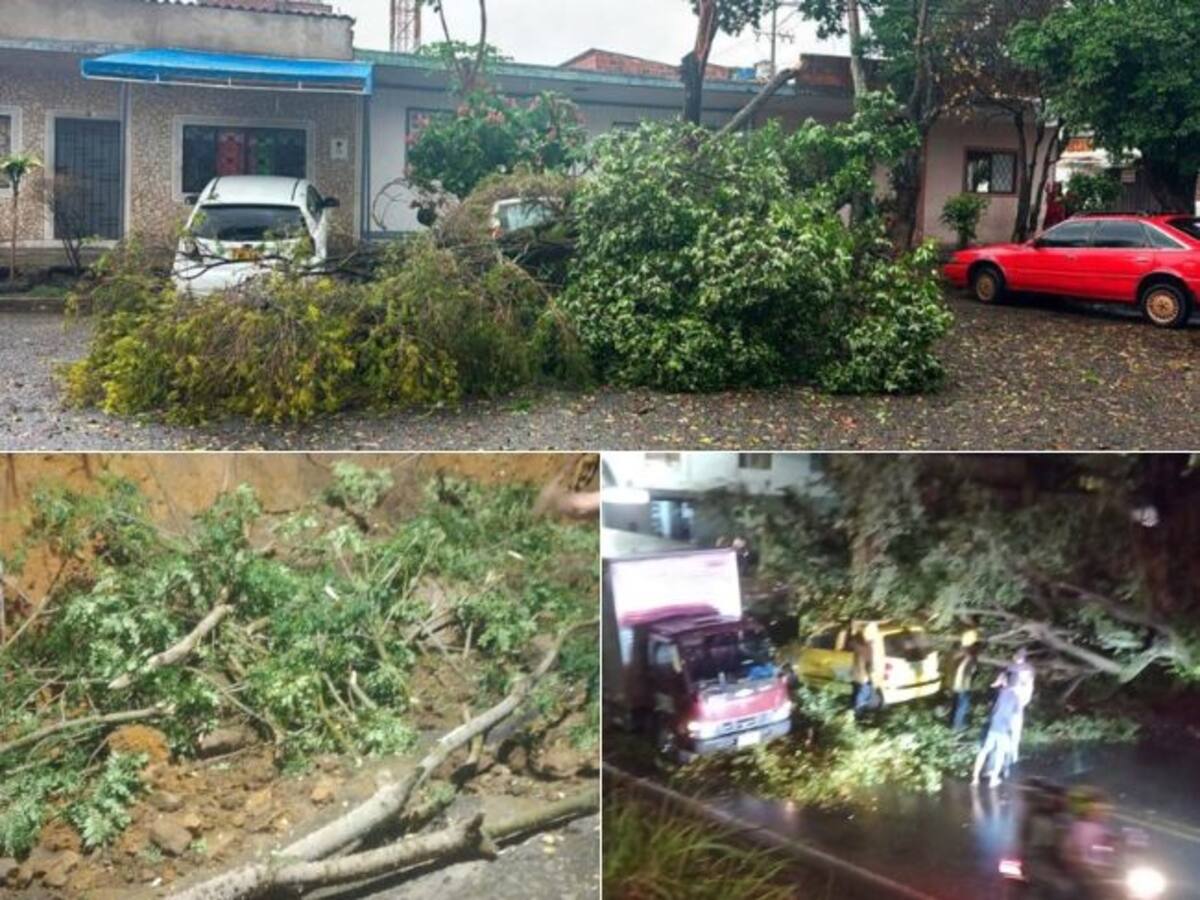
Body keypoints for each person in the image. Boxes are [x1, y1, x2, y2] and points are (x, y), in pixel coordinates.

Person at [1062, 786, 1117, 899]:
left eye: (1105, 809)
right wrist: (1082, 864)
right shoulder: (1076, 828)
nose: (1103, 812)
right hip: (1084, 879)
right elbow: (1071, 853)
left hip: (1103, 877)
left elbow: (1107, 850)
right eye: (1098, 808)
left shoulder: (1104, 829)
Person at [972, 670, 1021, 787]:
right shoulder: (1015, 698)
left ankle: (975, 778)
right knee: (1000, 753)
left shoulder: (1000, 693)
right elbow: (1015, 715)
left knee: (984, 750)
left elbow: (994, 709)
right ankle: (993, 779)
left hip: (993, 726)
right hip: (1004, 729)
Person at [994, 648, 1036, 775]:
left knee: (1009, 735)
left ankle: (1008, 764)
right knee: (1012, 736)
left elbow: (1005, 685)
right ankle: (1009, 764)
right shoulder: (1020, 670)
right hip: (1014, 707)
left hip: (1013, 707)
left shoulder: (1018, 670)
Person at [949, 629, 980, 731]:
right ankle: (957, 726)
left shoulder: (959, 652)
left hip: (955, 683)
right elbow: (971, 670)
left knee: (956, 704)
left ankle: (953, 723)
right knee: (962, 705)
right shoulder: (970, 656)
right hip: (963, 684)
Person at [850, 626, 876, 717]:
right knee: (860, 697)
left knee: (857, 695)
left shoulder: (856, 647)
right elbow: (869, 665)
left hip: (856, 676)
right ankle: (857, 711)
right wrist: (871, 677)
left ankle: (856, 711)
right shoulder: (867, 648)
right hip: (862, 677)